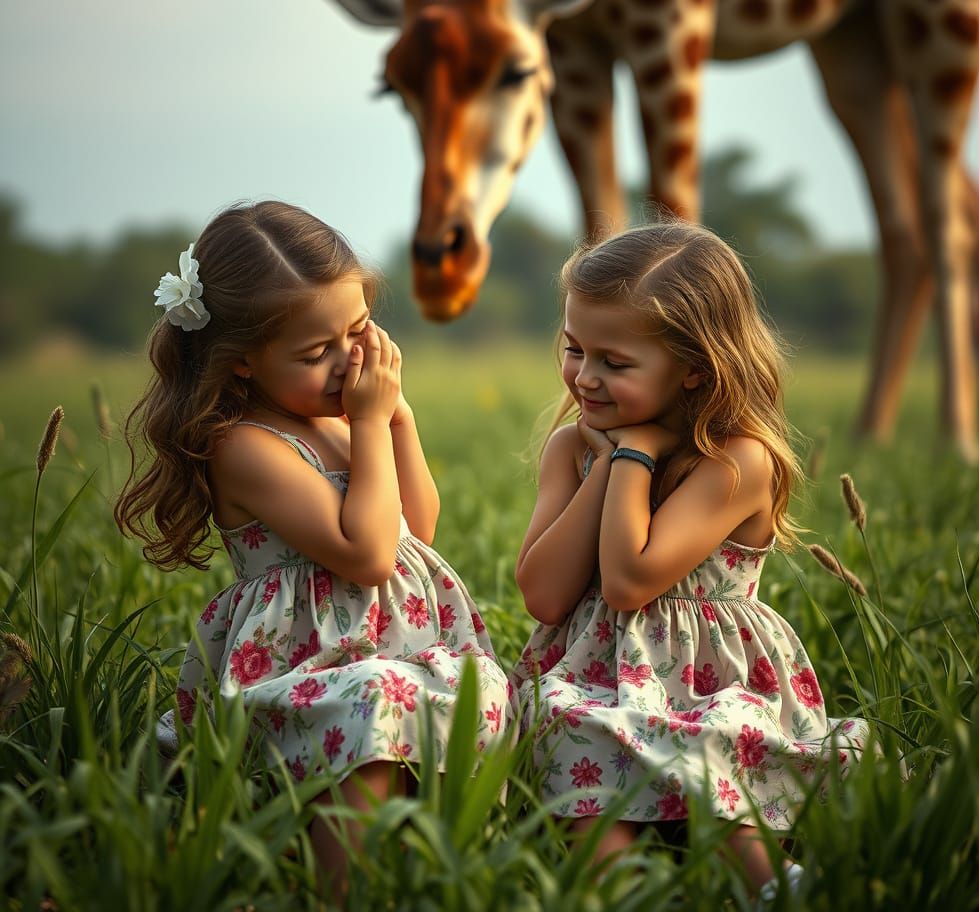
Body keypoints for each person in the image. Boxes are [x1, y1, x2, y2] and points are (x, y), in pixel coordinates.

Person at [115, 201, 511, 899]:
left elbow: (414, 527)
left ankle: (419, 870)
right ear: (241, 361)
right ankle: (343, 887)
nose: (346, 363)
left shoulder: (340, 420)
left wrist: (396, 421)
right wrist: (365, 419)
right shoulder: (246, 446)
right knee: (367, 704)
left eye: (356, 332)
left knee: (459, 691)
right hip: (306, 661)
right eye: (314, 351)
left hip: (391, 647)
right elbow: (366, 555)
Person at [513, 222, 870, 900]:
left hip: (709, 679)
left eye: (614, 363)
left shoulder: (737, 461)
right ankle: (613, 888)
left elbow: (628, 580)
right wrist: (607, 465)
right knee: (572, 726)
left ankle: (771, 885)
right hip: (592, 677)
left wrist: (635, 455)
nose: (585, 377)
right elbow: (545, 596)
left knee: (709, 734)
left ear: (694, 368)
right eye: (573, 349)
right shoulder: (573, 449)